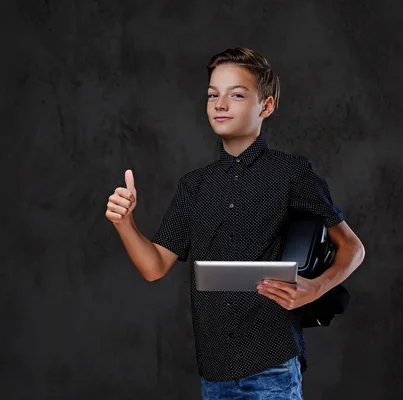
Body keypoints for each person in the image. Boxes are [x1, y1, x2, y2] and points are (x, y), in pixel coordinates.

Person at [105, 47, 365, 399]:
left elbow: (353, 247)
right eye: (213, 94)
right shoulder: (193, 186)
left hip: (272, 365)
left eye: (236, 95)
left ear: (266, 106)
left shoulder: (291, 174)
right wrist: (125, 222)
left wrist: (315, 288)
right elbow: (154, 267)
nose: (220, 104)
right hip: (214, 372)